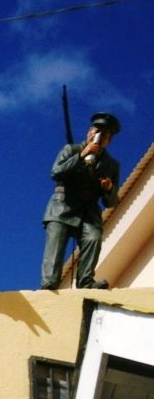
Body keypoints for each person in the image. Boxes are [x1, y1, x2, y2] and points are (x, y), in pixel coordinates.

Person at [40, 112, 121, 290]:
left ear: (109, 140)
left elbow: (112, 202)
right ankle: (49, 284)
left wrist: (108, 189)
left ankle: (85, 281)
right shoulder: (71, 150)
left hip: (88, 211)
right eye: (97, 131)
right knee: (56, 246)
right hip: (63, 206)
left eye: (105, 135)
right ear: (89, 132)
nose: (99, 137)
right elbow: (56, 173)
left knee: (93, 238)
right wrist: (80, 155)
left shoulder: (112, 165)